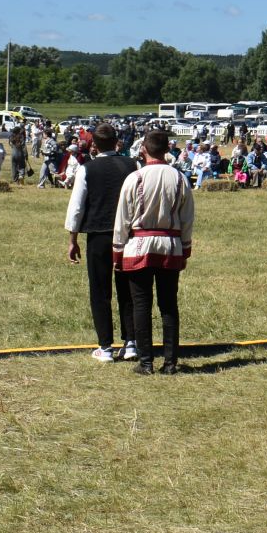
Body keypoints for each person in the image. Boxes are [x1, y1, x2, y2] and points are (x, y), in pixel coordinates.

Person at [111, 130, 195, 375]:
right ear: (167, 149)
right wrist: (185, 247)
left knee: (141, 304)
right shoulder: (180, 178)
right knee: (169, 305)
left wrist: (117, 251)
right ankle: (170, 362)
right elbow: (187, 218)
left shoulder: (134, 178)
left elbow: (122, 220)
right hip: (170, 244)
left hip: (139, 244)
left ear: (144, 150)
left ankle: (146, 362)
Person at [64, 123, 138, 362]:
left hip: (98, 235)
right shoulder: (134, 165)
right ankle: (131, 343)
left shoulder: (87, 169)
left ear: (94, 145)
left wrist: (72, 240)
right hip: (128, 235)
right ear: (118, 142)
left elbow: (76, 208)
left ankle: (105, 346)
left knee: (100, 291)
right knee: (128, 289)